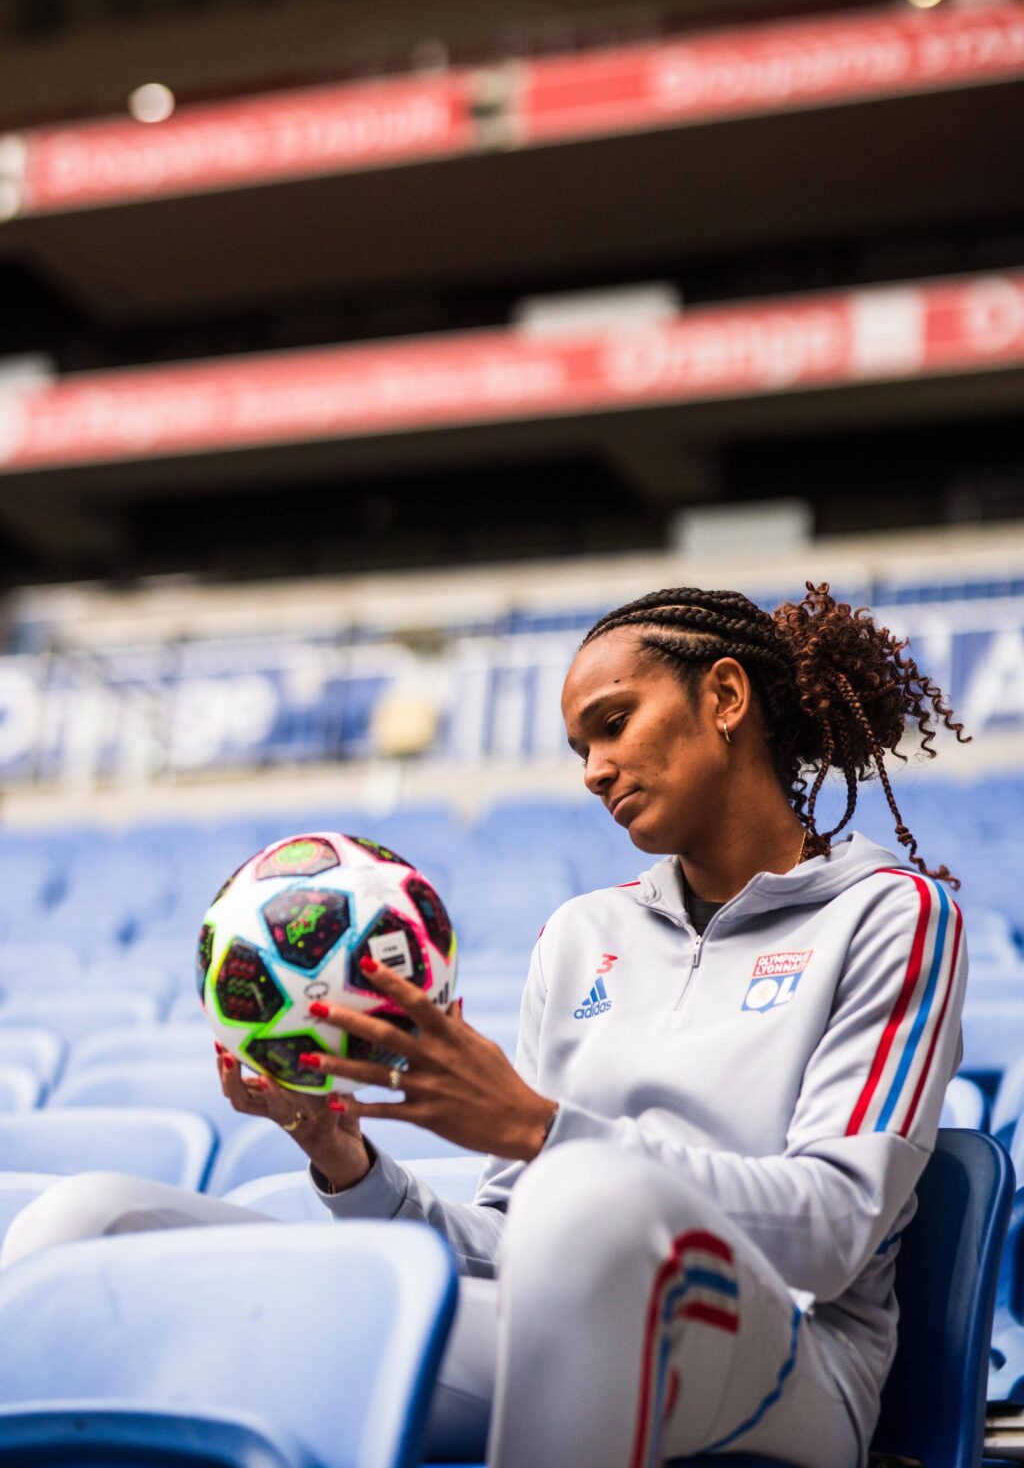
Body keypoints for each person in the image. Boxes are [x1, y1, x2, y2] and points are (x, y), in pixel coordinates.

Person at [2, 582, 971, 1468]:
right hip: (568, 1306)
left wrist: (545, 1133)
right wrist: (346, 1161)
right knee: (89, 1219)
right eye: (580, 748)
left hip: (798, 1364)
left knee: (586, 1204)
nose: (594, 771)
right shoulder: (579, 936)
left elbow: (835, 1231)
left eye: (613, 723)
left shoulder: (892, 916)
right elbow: (517, 1244)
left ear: (725, 699)